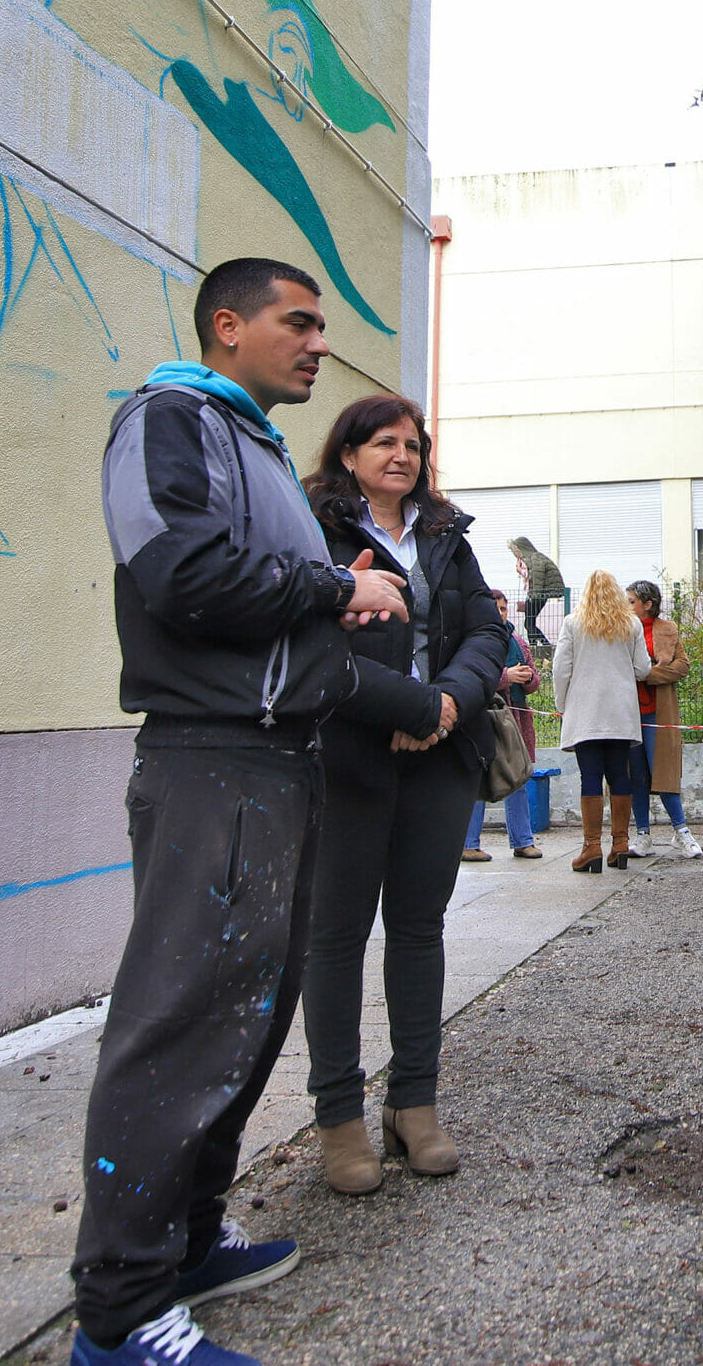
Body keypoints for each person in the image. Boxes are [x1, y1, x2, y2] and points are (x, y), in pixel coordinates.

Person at [77, 259, 430, 1366]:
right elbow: (182, 574)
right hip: (212, 762)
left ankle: (186, 1243)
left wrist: (335, 601)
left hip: (281, 761)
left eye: (322, 324)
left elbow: (260, 592)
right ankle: (120, 1313)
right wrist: (334, 587)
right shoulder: (168, 419)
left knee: (250, 1012)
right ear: (227, 325)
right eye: (300, 322)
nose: (321, 343)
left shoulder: (254, 443)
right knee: (181, 1022)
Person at [297, 395, 510, 1193]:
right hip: (344, 754)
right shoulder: (313, 531)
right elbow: (307, 641)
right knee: (335, 937)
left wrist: (445, 703)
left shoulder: (446, 536)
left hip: (439, 754)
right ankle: (339, 1118)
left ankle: (413, 1105)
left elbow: (489, 631)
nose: (402, 455)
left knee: (419, 929)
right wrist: (408, 707)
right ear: (348, 454)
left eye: (413, 445)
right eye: (383, 442)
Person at [552, 570, 652, 872]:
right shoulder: (631, 624)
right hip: (621, 714)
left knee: (590, 777)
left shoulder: (573, 623)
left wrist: (562, 704)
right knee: (620, 775)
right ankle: (620, 843)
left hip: (586, 714)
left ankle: (591, 847)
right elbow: (643, 669)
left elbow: (561, 669)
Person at [625, 581, 703, 859]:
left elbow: (682, 666)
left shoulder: (667, 629)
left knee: (665, 774)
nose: (627, 606)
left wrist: (646, 674)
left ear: (648, 604)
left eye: (632, 601)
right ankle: (642, 835)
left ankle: (681, 832)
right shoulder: (622, 630)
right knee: (635, 775)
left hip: (658, 714)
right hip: (627, 715)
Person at [462, 591, 542, 862]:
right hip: (483, 718)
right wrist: (506, 676)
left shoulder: (518, 642)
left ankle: (523, 841)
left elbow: (533, 681)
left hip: (515, 721)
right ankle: (468, 844)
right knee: (478, 779)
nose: (501, 613)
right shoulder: (473, 641)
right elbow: (472, 678)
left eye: (504, 609)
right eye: (495, 608)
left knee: (517, 775)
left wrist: (528, 678)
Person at [510, 536, 565, 650]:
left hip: (537, 595)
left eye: (515, 552)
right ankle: (542, 646)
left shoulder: (534, 558)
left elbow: (537, 576)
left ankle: (539, 647)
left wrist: (533, 595)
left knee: (529, 624)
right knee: (529, 623)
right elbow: (532, 576)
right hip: (537, 594)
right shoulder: (534, 558)